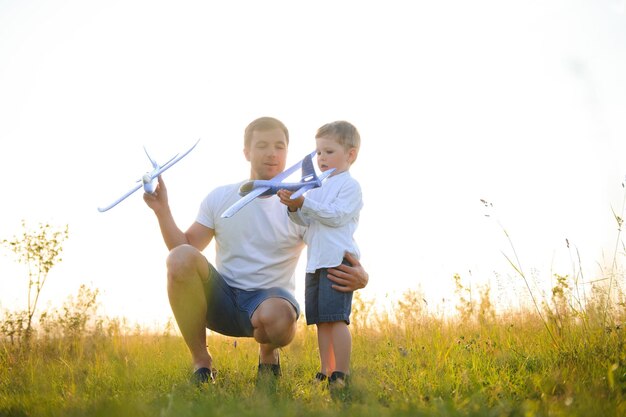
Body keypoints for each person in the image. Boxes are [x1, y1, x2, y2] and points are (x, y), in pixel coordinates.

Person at [143, 116, 369, 385]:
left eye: (279, 146)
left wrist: (362, 276)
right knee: (179, 257)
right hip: (222, 300)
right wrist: (162, 211)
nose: (272, 153)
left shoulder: (299, 202)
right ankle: (202, 363)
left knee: (277, 318)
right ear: (246, 152)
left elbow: (333, 239)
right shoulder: (220, 197)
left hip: (272, 305)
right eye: (262, 145)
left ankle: (269, 354)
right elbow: (185, 247)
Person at [277, 121, 362, 391]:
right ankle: (325, 370)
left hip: (337, 260)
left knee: (336, 318)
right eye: (319, 153)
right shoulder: (316, 186)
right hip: (315, 262)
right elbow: (306, 221)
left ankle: (342, 372)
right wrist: (293, 207)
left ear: (351, 154)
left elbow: (335, 216)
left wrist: (305, 203)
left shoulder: (349, 186)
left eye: (329, 152)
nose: (322, 158)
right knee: (320, 321)